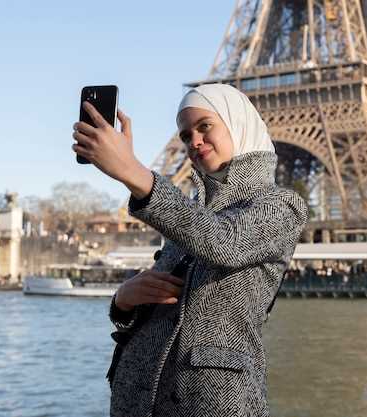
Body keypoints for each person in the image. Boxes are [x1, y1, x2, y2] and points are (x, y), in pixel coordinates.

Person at [72, 83, 308, 417]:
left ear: (238, 123)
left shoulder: (281, 206)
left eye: (204, 126)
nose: (194, 141)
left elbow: (226, 242)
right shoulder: (188, 213)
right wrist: (124, 301)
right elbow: (164, 315)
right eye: (185, 136)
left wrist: (135, 174)